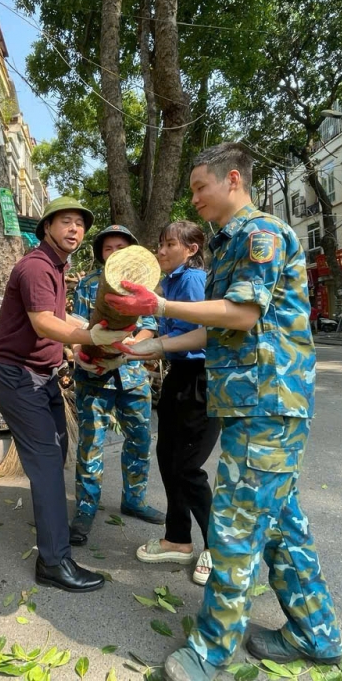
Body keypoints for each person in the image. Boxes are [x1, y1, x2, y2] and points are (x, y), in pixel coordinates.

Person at [110, 142, 342, 681]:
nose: (194, 200)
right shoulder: (227, 241)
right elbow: (216, 325)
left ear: (232, 179)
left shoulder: (261, 234)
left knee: (235, 527)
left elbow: (241, 312)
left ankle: (210, 653)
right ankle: (317, 634)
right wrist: (155, 345)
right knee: (283, 525)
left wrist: (160, 305)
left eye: (199, 188)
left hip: (266, 401)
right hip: (252, 402)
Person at [0, 197, 134, 593]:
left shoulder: (55, 267)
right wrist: (91, 337)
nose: (74, 229)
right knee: (49, 463)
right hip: (20, 378)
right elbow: (43, 323)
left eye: (80, 224)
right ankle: (53, 561)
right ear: (47, 227)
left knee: (57, 451)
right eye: (66, 221)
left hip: (42, 376)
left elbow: (61, 319)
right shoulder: (36, 267)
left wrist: (91, 339)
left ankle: (51, 527)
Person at [135, 221, 220, 588]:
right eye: (161, 243)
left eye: (170, 244)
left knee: (187, 467)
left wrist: (156, 346)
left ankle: (217, 549)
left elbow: (200, 336)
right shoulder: (169, 283)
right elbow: (161, 332)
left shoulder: (192, 281)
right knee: (168, 458)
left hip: (201, 379)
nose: (162, 250)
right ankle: (178, 538)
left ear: (192, 249)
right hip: (178, 378)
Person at [70, 225, 164, 547]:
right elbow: (77, 328)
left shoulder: (142, 289)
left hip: (133, 375)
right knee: (91, 444)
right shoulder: (86, 285)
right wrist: (79, 354)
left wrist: (128, 351)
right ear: (100, 253)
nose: (113, 253)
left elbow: (149, 327)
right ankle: (85, 506)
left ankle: (134, 499)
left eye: (120, 248)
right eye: (108, 248)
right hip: (94, 376)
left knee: (139, 440)